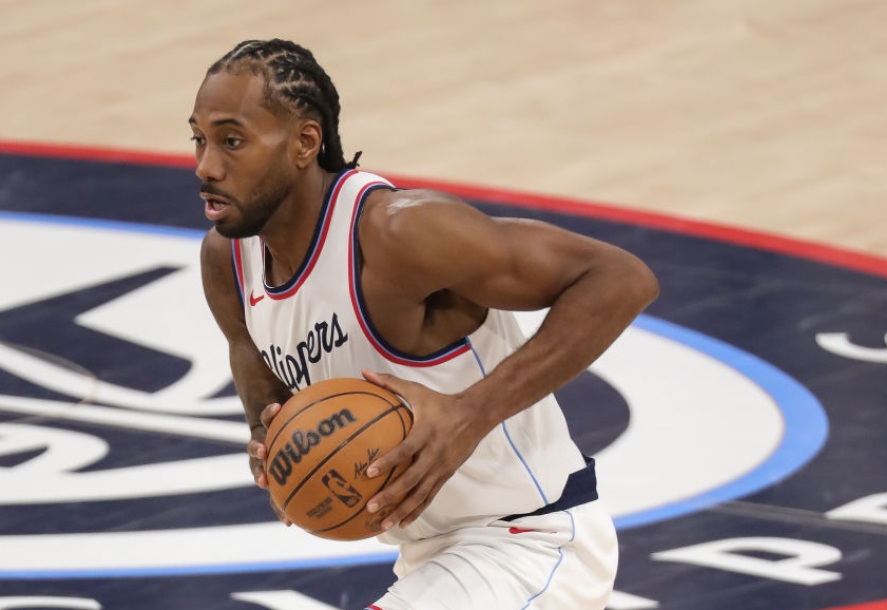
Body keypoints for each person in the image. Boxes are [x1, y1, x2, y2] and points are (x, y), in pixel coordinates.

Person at [196, 39, 659, 610]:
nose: (206, 166)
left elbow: (620, 279)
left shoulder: (396, 235)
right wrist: (271, 437)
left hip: (531, 541)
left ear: (303, 142)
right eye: (199, 139)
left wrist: (471, 414)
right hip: (430, 556)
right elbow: (248, 350)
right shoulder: (228, 260)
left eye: (232, 141)